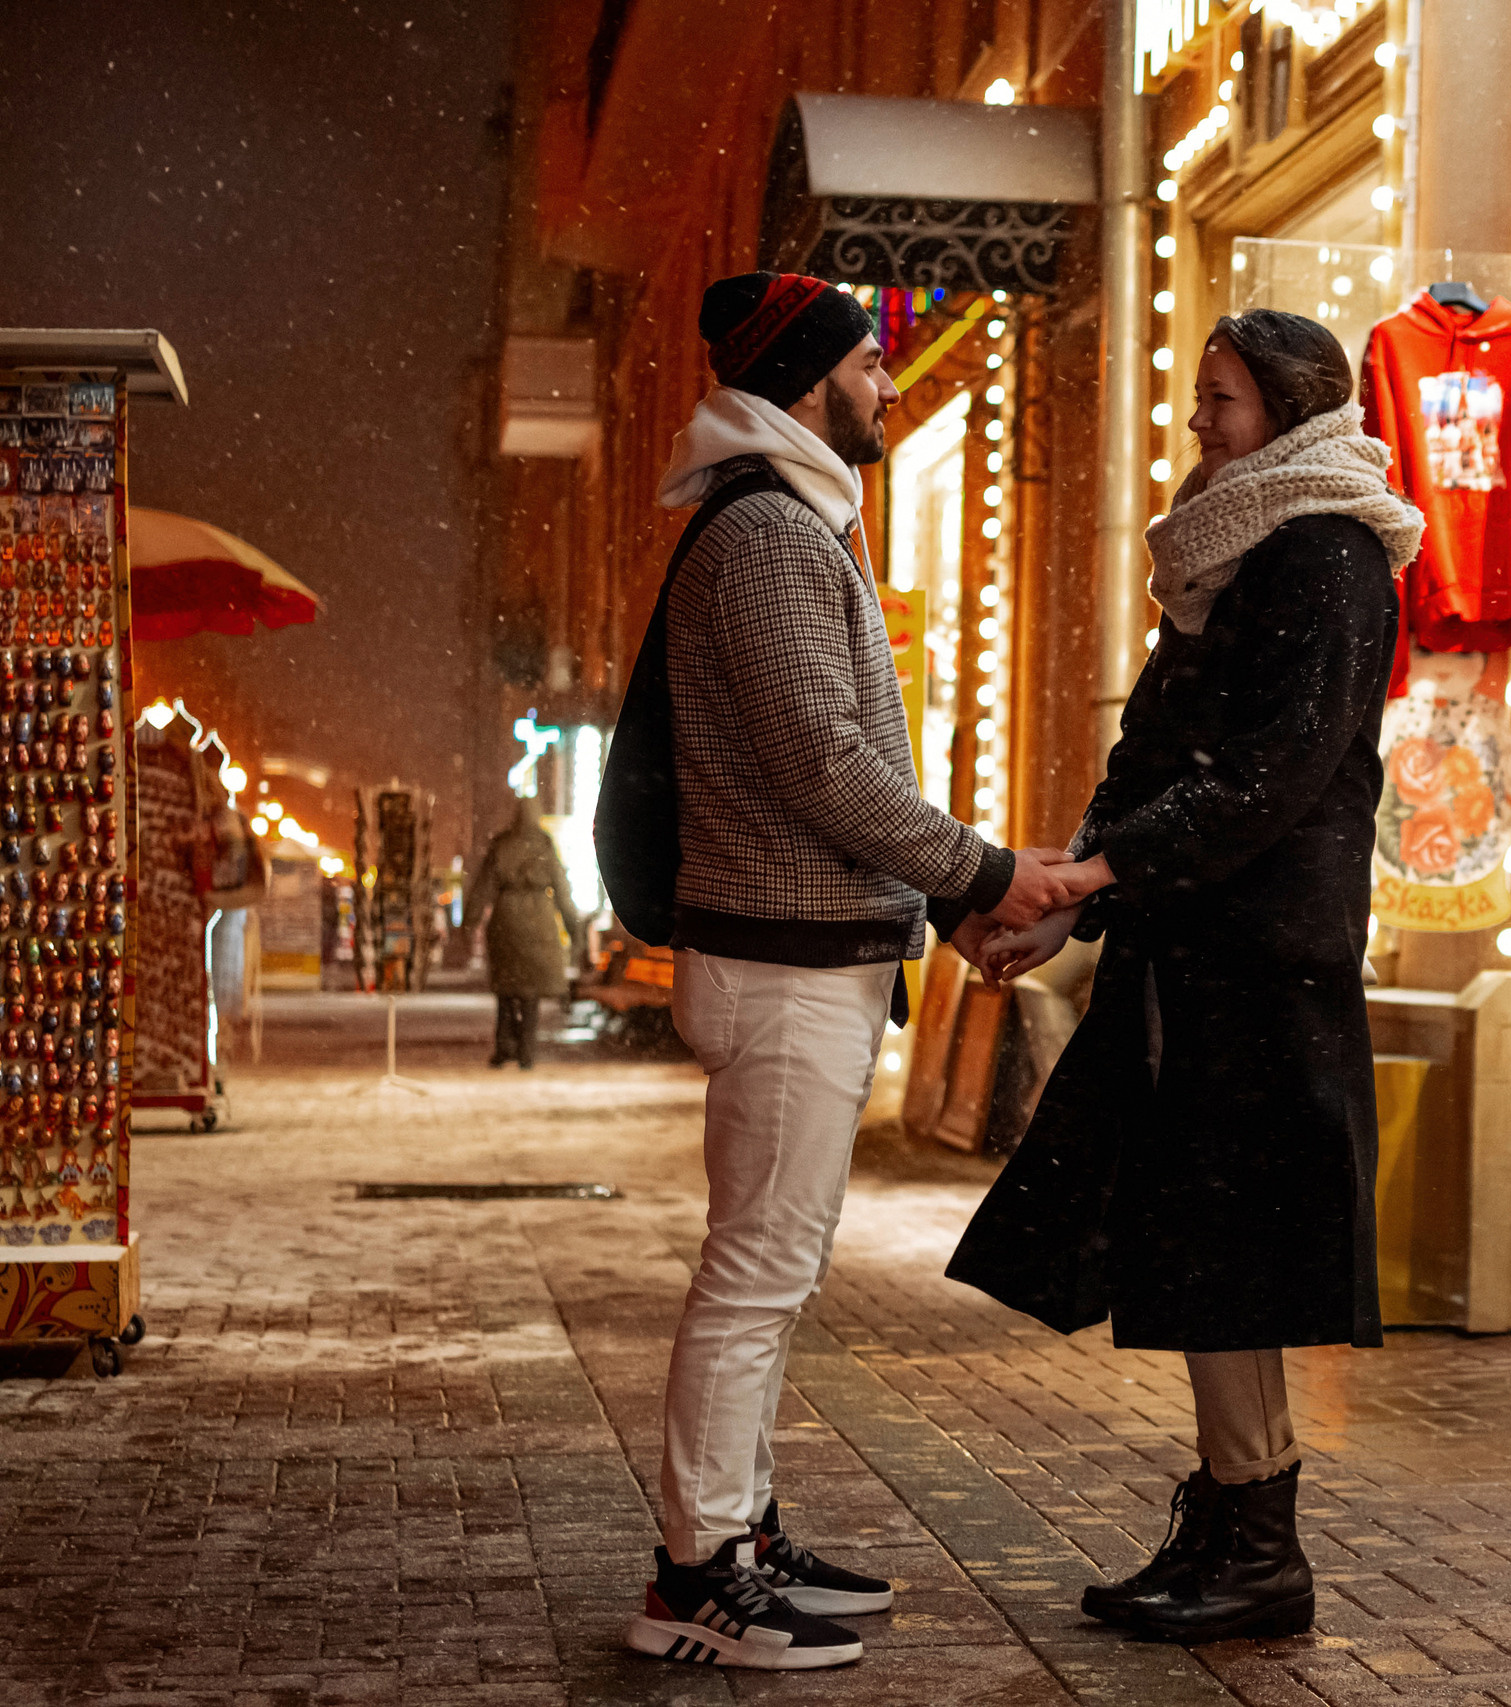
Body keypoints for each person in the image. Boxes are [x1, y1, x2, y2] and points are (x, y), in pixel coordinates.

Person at [626, 271, 1094, 1672]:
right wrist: (980, 868)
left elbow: (825, 775)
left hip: (803, 947)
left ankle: (740, 1531)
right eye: (868, 361)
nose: (889, 383)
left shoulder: (785, 514)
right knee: (756, 1270)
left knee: (772, 1266)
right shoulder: (767, 531)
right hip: (776, 964)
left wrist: (940, 902)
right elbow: (824, 763)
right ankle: (695, 1573)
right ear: (808, 375)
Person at [944, 310, 1423, 1645]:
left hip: (1262, 958)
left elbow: (1271, 772)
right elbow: (1160, 750)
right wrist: (1073, 903)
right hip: (1196, 952)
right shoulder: (1239, 548)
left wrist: (1099, 878)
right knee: (1209, 1246)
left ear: (1287, 405)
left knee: (1235, 1250)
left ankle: (1257, 1542)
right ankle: (1232, 1514)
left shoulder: (1326, 551)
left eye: (1220, 398)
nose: (1201, 422)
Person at [463, 797, 577, 1068]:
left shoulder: (501, 844)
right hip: (539, 922)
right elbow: (562, 891)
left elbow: (483, 888)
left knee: (506, 991)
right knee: (530, 994)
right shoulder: (545, 845)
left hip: (506, 923)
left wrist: (470, 922)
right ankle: (527, 1051)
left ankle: (503, 1047)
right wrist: (575, 930)